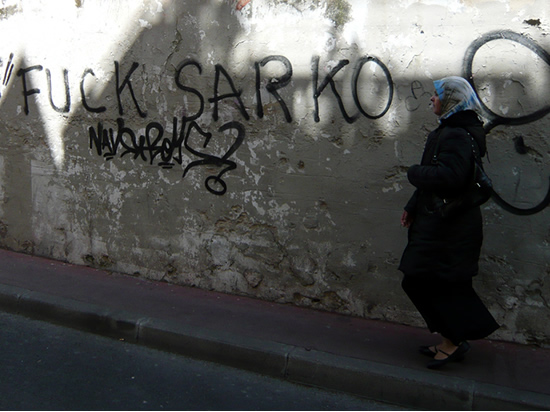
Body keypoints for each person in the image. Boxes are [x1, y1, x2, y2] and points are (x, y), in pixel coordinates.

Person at [399, 76, 499, 369]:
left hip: (449, 228)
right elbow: (440, 178)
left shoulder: (454, 134)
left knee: (427, 282)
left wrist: (413, 172)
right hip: (443, 224)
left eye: (437, 95)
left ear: (452, 101)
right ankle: (451, 339)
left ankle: (454, 341)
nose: (432, 99)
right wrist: (412, 205)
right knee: (430, 282)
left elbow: (449, 178)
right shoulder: (452, 130)